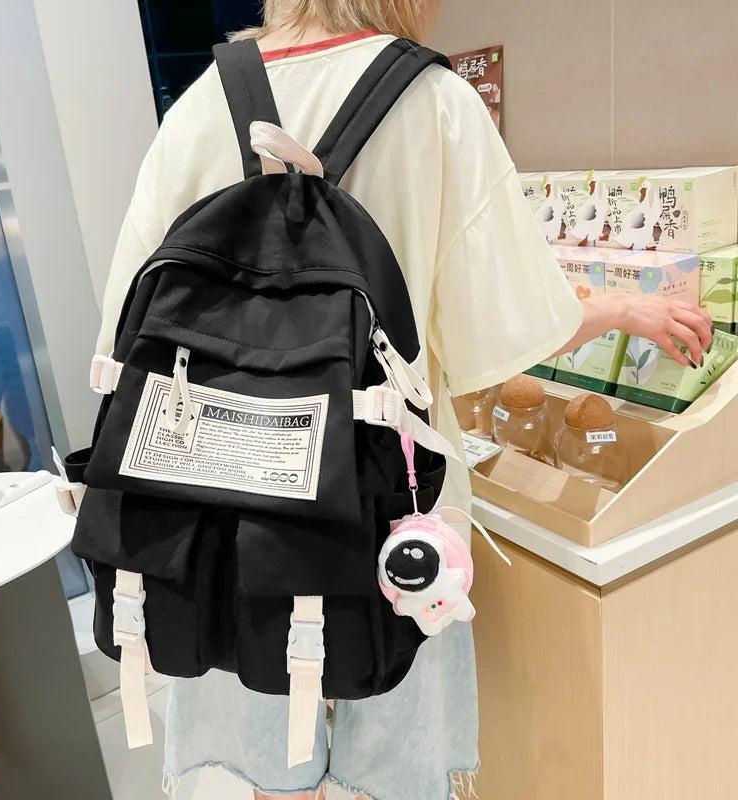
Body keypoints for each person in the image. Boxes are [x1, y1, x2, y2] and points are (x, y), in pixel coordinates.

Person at [96, 2, 712, 798]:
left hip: (222, 494)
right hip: (393, 503)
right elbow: (506, 329)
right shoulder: (433, 103)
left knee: (265, 717)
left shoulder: (200, 104)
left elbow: (124, 332)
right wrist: (622, 308)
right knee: (392, 744)